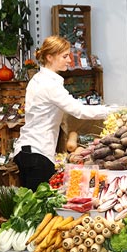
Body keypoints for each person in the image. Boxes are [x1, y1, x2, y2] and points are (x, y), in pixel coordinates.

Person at [13, 35, 112, 191]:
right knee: (41, 208)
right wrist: (113, 110)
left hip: (25, 150)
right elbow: (79, 111)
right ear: (49, 57)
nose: (69, 60)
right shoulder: (50, 85)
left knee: (28, 206)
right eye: (65, 56)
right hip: (39, 153)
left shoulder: (37, 79)